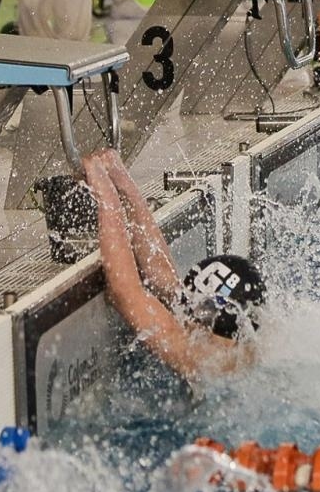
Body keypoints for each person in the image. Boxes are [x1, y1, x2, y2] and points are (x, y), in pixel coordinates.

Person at [83, 149, 254, 380]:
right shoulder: (250, 344)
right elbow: (165, 280)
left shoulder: (203, 359)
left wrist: (106, 196)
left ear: (209, 317)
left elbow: (124, 292)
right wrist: (124, 185)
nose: (186, 310)